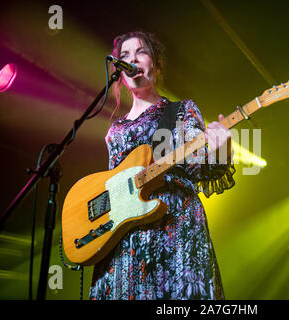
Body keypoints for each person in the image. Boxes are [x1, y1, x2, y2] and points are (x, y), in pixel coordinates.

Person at [89, 31, 236, 300]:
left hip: (173, 226)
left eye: (141, 52)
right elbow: (110, 187)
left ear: (156, 64)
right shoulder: (115, 131)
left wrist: (222, 150)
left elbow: (201, 170)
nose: (132, 59)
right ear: (119, 71)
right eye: (124, 56)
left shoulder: (180, 111)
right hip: (125, 237)